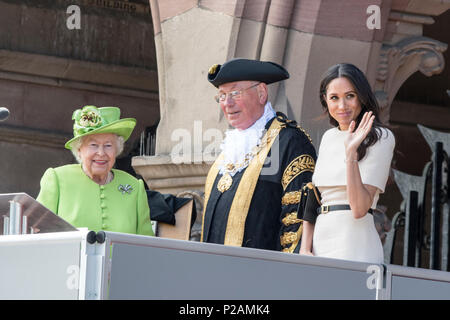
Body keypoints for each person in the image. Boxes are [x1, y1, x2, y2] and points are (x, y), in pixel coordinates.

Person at [201, 58, 317, 252]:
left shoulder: (289, 142)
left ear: (262, 93)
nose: (227, 103)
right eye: (221, 96)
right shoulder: (227, 151)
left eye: (235, 93)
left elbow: (296, 223)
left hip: (261, 275)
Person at [299, 63, 395, 264]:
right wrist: (305, 248)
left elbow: (359, 208)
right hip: (319, 243)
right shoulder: (328, 137)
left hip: (355, 245)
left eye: (350, 96)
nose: (342, 106)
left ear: (362, 97)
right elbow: (314, 197)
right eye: (334, 98)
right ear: (325, 100)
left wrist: (351, 153)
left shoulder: (380, 137)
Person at [36, 105, 154, 236]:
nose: (101, 153)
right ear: (79, 150)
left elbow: (146, 241)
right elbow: (39, 233)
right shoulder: (57, 179)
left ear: (117, 149)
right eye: (93, 145)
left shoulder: (134, 186)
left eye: (108, 145)